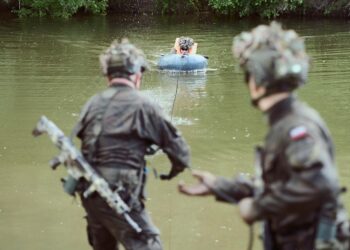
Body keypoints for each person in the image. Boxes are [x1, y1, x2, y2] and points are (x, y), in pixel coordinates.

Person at [179, 22, 349, 250]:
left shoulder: (295, 127)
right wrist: (221, 186)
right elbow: (284, 185)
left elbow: (319, 185)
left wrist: (258, 208)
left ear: (257, 81)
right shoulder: (287, 119)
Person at [72, 39, 190, 250]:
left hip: (91, 195)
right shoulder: (145, 105)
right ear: (137, 74)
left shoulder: (92, 103)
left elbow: (85, 144)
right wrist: (171, 172)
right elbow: (181, 154)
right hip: (121, 195)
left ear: (108, 75)